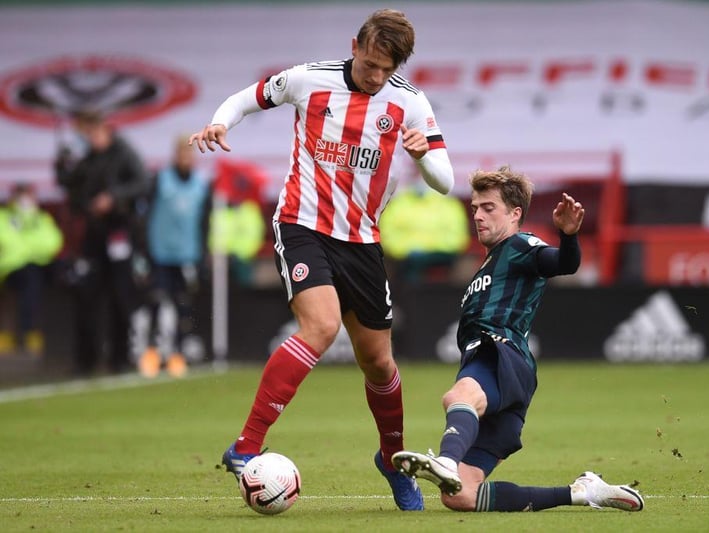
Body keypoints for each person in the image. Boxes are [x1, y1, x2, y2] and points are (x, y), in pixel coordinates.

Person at [189, 9, 454, 511]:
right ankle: (245, 446)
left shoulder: (410, 103)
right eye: (370, 63)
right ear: (354, 45)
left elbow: (446, 180)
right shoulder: (310, 79)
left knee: (378, 362)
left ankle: (392, 458)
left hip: (363, 241)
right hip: (303, 224)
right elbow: (249, 97)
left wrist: (423, 155)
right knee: (321, 327)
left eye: (385, 68)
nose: (375, 76)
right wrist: (221, 121)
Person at [391, 166, 644, 513]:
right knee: (460, 496)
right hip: (508, 380)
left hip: (501, 355)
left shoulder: (520, 245)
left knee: (458, 395)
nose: (478, 216)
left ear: (515, 214)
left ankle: (446, 461)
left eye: (488, 208)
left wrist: (568, 236)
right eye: (476, 208)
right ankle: (583, 492)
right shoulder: (488, 264)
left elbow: (563, 263)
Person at [55, 109, 150, 375]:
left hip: (119, 232)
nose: (92, 138)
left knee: (121, 296)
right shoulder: (88, 158)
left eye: (95, 132)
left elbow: (142, 182)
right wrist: (62, 164)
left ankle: (119, 358)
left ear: (105, 130)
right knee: (86, 295)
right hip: (94, 235)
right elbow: (70, 185)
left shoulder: (124, 153)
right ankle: (86, 359)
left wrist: (113, 197)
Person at [138, 135, 211, 379]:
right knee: (156, 302)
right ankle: (151, 352)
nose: (185, 158)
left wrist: (202, 255)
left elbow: (204, 223)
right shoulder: (161, 180)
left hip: (186, 254)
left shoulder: (201, 185)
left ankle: (177, 354)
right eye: (182, 153)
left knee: (183, 305)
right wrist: (144, 250)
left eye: (189, 154)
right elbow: (145, 215)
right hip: (160, 252)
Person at [0, 183, 63, 357]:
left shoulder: (41, 218)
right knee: (29, 278)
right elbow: (7, 242)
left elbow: (54, 242)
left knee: (61, 272)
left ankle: (50, 333)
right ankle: (27, 331)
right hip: (9, 269)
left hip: (40, 266)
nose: (25, 201)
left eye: (28, 196)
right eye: (21, 196)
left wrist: (27, 247)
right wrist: (31, 248)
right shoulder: (3, 217)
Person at [379, 176, 470, 284]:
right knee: (410, 265)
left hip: (443, 255)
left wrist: (427, 249)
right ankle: (411, 298)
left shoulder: (449, 204)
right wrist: (407, 250)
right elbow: (387, 235)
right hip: (405, 257)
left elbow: (458, 238)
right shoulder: (398, 203)